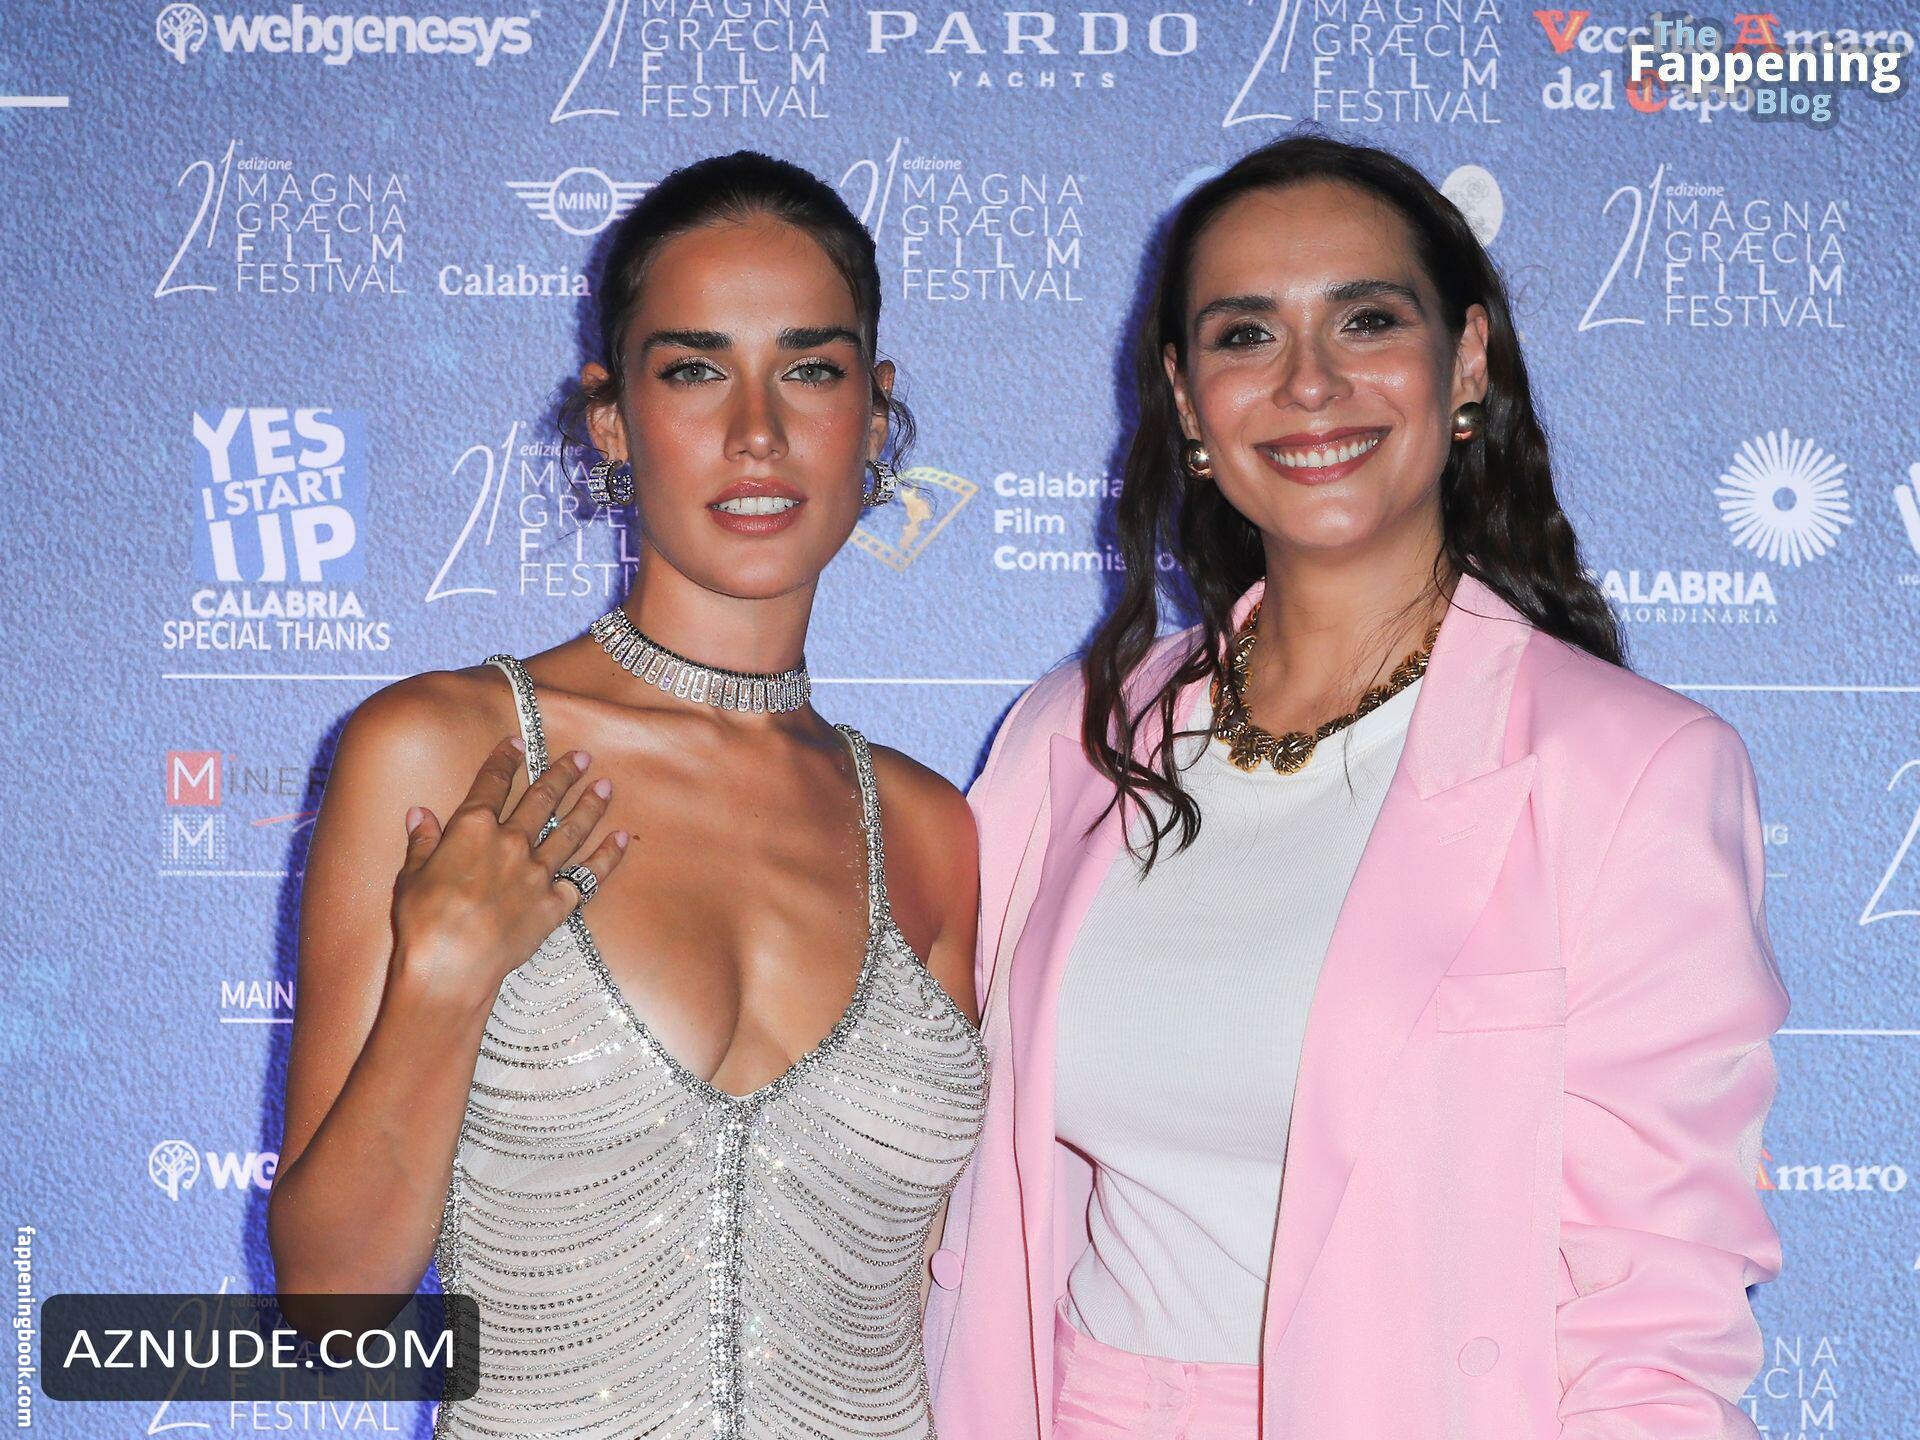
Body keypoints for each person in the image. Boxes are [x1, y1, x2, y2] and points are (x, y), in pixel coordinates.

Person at [924, 133, 1789, 1440]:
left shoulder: (1632, 771)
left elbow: (1654, 1317)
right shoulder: (1079, 735)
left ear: (1468, 361)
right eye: (1246, 335)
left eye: (1367, 320)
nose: (1310, 383)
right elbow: (951, 1177)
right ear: (1187, 401)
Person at [267, 149, 988, 1440]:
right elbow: (336, 1309)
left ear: (876, 416)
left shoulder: (929, 829)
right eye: (695, 370)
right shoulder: (444, 752)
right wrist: (443, 978)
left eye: (811, 370)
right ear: (610, 417)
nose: (757, 430)